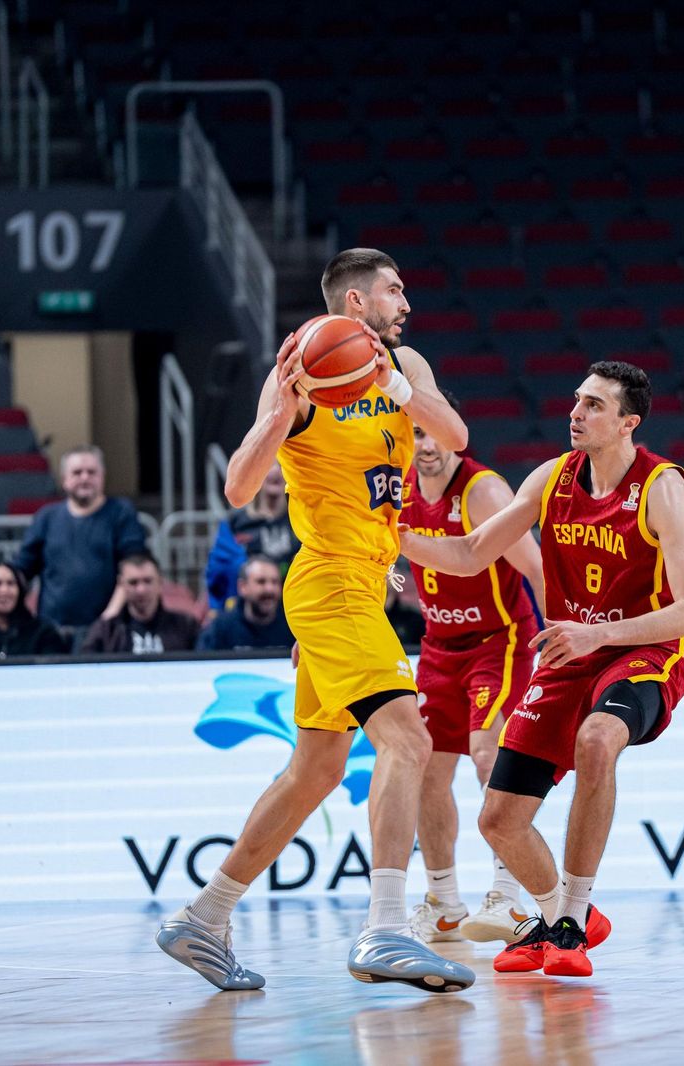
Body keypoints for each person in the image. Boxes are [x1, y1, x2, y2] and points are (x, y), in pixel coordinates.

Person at [155, 248, 476, 995]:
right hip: (328, 580)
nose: (407, 300)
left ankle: (204, 917)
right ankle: (389, 929)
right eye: (395, 289)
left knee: (318, 769)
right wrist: (281, 415)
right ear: (355, 302)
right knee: (408, 738)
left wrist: (397, 386)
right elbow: (238, 487)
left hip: (364, 587)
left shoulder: (407, 365)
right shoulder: (302, 367)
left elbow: (455, 438)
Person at [398, 361, 684, 978]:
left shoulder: (662, 486)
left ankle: (570, 918)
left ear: (627, 424)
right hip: (570, 653)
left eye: (594, 405)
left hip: (643, 650)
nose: (576, 412)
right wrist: (388, 535)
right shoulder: (551, 478)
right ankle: (557, 919)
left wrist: (599, 633)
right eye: (576, 400)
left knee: (598, 741)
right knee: (498, 820)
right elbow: (468, 553)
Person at [397, 399, 546, 946]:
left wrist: (561, 640)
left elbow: (535, 567)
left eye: (437, 434)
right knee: (425, 772)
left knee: (487, 755)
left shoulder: (483, 491)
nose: (429, 445)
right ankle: (443, 903)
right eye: (416, 434)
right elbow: (367, 561)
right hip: (438, 647)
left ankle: (508, 896)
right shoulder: (398, 489)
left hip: (498, 642)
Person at [14, 445, 148, 638]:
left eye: (91, 472)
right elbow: (22, 569)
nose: (85, 478)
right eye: (77, 473)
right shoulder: (46, 517)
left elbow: (133, 567)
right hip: (52, 630)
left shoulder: (121, 513)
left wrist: (109, 617)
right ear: (64, 480)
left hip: (108, 630)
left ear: (102, 476)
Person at [80, 551, 200, 654]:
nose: (141, 590)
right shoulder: (108, 631)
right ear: (122, 585)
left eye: (148, 581)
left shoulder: (185, 626)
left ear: (160, 583)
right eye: (133, 582)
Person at [196, 554, 294, 651]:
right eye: (261, 582)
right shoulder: (220, 628)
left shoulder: (293, 626)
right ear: (242, 587)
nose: (269, 589)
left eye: (275, 582)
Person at [229, 461, 299, 567]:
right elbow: (221, 567)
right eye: (268, 465)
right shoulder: (236, 521)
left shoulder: (299, 519)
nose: (275, 470)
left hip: (292, 582)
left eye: (281, 466)